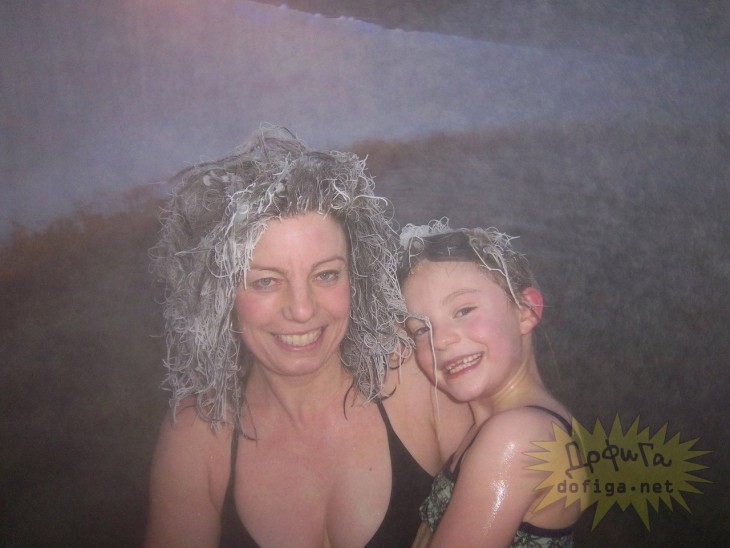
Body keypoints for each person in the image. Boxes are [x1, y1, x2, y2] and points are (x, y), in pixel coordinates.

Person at [144, 127, 471, 547]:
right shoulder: (199, 436)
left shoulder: (420, 383)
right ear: (218, 294)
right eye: (266, 281)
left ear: (357, 277)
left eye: (326, 275)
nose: (302, 310)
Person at [398, 220, 584, 548]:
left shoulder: (515, 438)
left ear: (526, 310)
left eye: (464, 310)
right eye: (421, 329)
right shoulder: (505, 426)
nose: (440, 340)